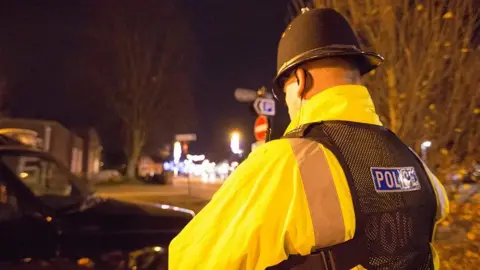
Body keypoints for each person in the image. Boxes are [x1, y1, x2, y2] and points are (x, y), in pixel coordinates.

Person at [169, 8, 449, 270]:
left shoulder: (288, 162)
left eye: (285, 89)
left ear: (300, 80)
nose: (288, 103)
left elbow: (190, 259)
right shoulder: (413, 162)